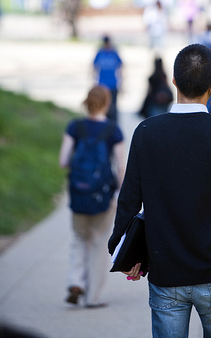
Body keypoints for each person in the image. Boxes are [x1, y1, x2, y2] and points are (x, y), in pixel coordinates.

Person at [108, 44, 211, 338]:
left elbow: (130, 196)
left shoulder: (147, 131)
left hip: (165, 267)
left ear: (174, 81)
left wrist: (121, 247)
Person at [59, 85, 125, 307]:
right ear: (107, 102)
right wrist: (119, 193)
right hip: (102, 197)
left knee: (79, 239)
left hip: (78, 194)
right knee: (97, 242)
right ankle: (93, 297)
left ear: (86, 102)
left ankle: (75, 281)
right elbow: (121, 168)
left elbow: (63, 161)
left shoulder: (75, 127)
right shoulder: (113, 131)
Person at [93, 35, 123, 122]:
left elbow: (120, 68)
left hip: (113, 84)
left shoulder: (114, 53)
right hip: (102, 84)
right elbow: (94, 67)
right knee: (102, 107)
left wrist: (122, 83)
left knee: (113, 108)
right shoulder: (100, 53)